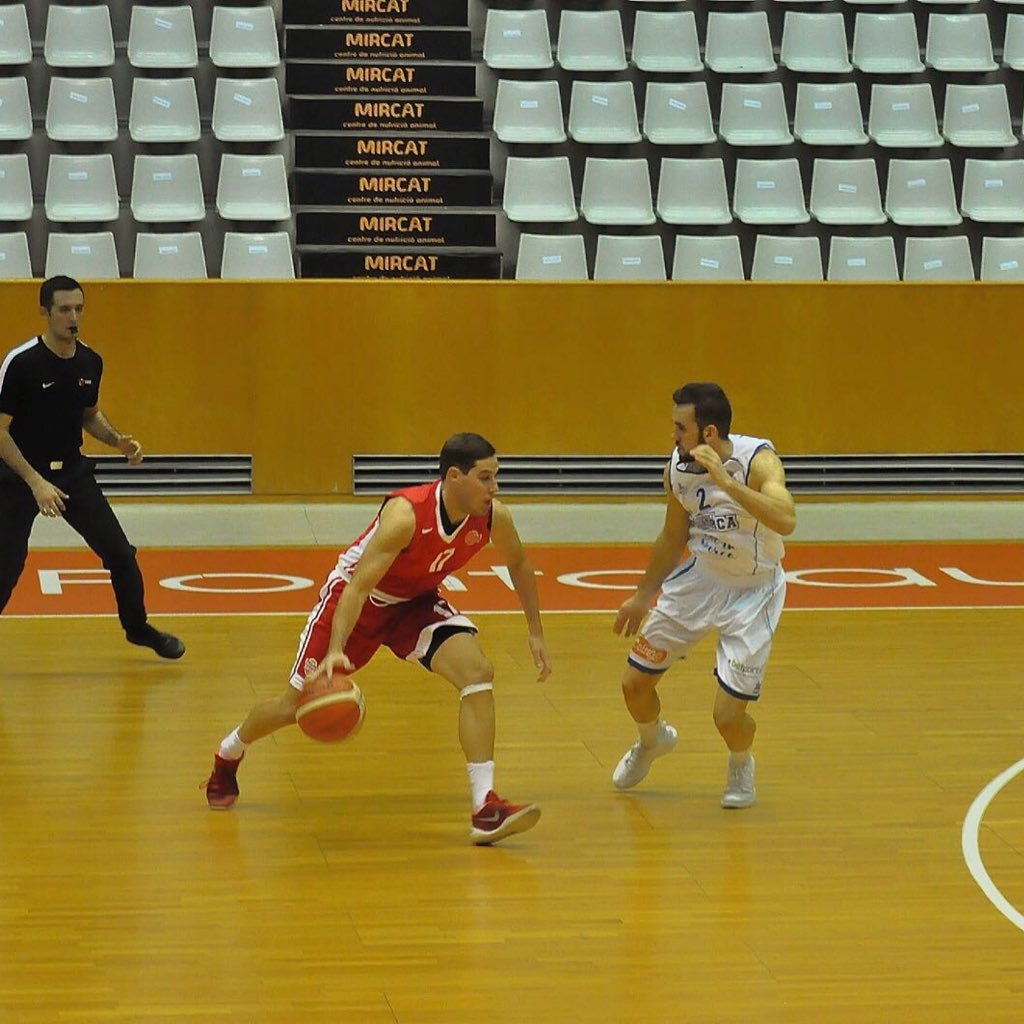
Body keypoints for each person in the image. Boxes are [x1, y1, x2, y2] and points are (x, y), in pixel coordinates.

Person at [204, 432, 552, 845]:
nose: (494, 488)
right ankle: (228, 753)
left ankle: (485, 807)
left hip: (415, 603)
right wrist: (335, 651)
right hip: (357, 601)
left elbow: (521, 564)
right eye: (485, 478)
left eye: (496, 476)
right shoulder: (406, 515)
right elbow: (357, 587)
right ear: (455, 477)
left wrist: (535, 633)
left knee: (478, 672)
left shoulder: (494, 516)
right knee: (293, 705)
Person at [611, 382, 796, 808]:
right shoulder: (676, 468)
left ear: (708, 433)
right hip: (699, 581)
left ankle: (740, 762)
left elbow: (786, 519)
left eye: (681, 427)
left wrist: (726, 483)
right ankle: (652, 740)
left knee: (727, 717)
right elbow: (673, 534)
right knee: (634, 685)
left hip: (754, 591)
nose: (673, 435)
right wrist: (643, 594)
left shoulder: (758, 461)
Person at [0, 276, 184, 659]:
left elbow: (89, 414)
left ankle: (138, 628)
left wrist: (117, 440)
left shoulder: (90, 361)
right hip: (19, 477)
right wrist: (36, 483)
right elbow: (0, 433)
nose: (73, 317)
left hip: (71, 473)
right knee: (7, 564)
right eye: (65, 309)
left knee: (121, 555)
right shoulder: (22, 363)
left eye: (79, 309)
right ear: (45, 312)